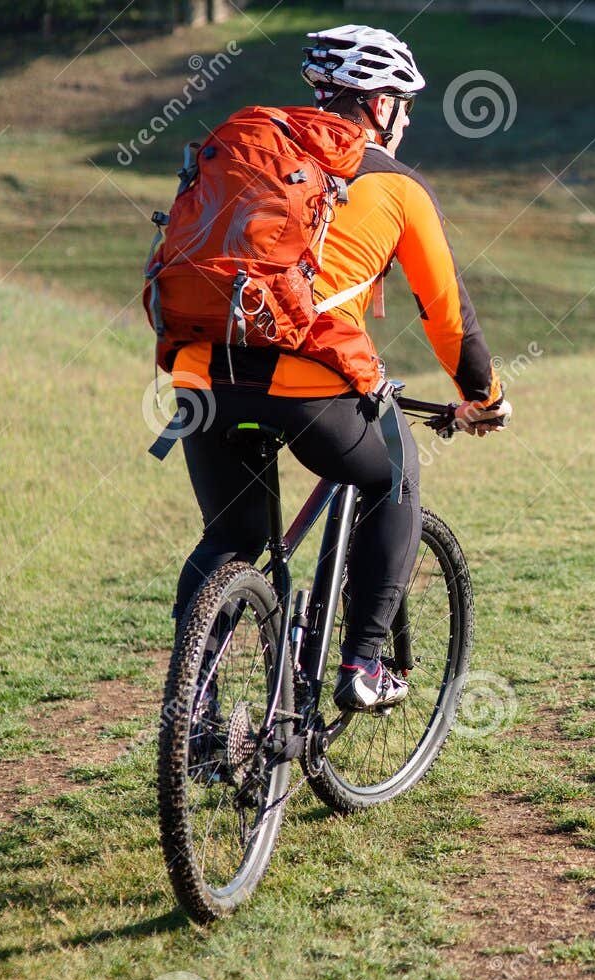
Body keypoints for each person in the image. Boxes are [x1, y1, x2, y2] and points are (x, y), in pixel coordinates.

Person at [169, 24, 511, 712]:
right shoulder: (397, 185)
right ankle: (362, 662)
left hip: (202, 372)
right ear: (379, 105)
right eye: (405, 103)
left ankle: (193, 715)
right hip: (307, 381)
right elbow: (448, 317)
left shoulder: (251, 151)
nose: (408, 118)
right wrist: (486, 396)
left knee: (232, 538)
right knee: (396, 473)